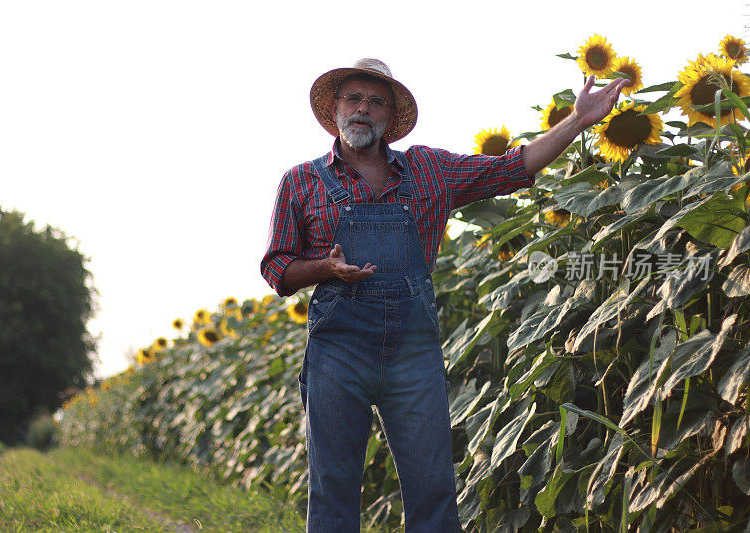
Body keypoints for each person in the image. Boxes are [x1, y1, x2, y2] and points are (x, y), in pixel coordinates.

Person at [260, 58, 628, 532]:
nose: (363, 109)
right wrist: (324, 269)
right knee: (333, 485)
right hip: (337, 349)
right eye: (353, 98)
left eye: (376, 102)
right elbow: (277, 268)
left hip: (412, 353)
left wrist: (578, 120)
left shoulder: (430, 170)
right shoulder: (301, 181)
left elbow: (512, 167)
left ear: (388, 119)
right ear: (335, 110)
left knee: (432, 484)